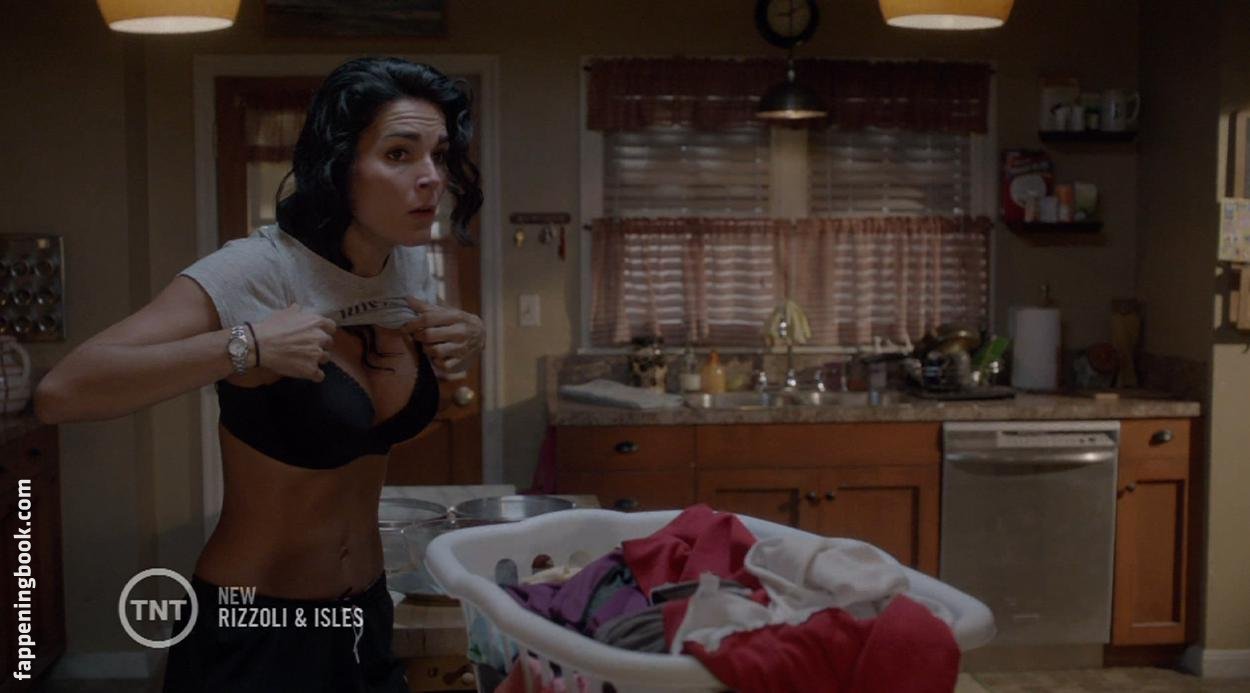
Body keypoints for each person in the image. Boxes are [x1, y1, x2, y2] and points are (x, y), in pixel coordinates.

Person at [33, 57, 485, 692]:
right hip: (254, 630)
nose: (431, 177)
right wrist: (244, 346)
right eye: (399, 154)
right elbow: (62, 393)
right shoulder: (258, 268)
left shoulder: (403, 266)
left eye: (438, 155)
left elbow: (367, 424)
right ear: (338, 165)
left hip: (364, 618)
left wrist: (467, 336)